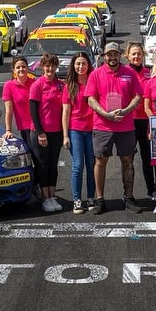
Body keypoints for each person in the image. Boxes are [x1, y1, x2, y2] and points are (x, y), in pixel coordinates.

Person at [84, 42, 144, 214]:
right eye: (109, 54)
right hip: (103, 125)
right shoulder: (96, 74)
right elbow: (90, 99)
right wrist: (105, 114)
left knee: (127, 161)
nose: (112, 57)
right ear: (104, 56)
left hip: (125, 126)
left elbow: (138, 96)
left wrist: (126, 111)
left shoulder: (130, 73)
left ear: (120, 55)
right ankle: (100, 199)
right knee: (100, 162)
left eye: (115, 54)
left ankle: (129, 197)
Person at [28, 53, 66, 213]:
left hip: (56, 131)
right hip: (40, 132)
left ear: (56, 66)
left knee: (53, 164)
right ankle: (44, 197)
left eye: (53, 65)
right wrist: (40, 132)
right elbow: (33, 110)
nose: (50, 68)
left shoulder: (60, 85)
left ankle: (51, 195)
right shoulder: (38, 84)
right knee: (42, 165)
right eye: (47, 66)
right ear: (42, 67)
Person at [62, 52, 95, 214]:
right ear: (73, 66)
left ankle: (90, 198)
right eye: (78, 64)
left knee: (91, 166)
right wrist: (65, 136)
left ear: (88, 65)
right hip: (75, 130)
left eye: (83, 63)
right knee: (77, 166)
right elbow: (66, 112)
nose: (80, 67)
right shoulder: (69, 86)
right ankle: (77, 200)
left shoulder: (94, 82)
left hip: (93, 130)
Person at [125, 42, 155, 200]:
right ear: (128, 56)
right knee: (128, 159)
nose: (136, 57)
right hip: (129, 121)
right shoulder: (124, 72)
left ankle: (152, 190)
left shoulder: (149, 73)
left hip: (146, 121)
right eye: (133, 54)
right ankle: (128, 194)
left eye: (139, 54)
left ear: (143, 55)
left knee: (148, 157)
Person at [1, 56, 33, 143]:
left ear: (27, 68)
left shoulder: (35, 84)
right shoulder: (9, 86)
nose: (21, 69)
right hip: (25, 127)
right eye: (18, 67)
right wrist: (8, 130)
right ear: (14, 70)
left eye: (23, 67)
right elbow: (9, 111)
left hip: (39, 125)